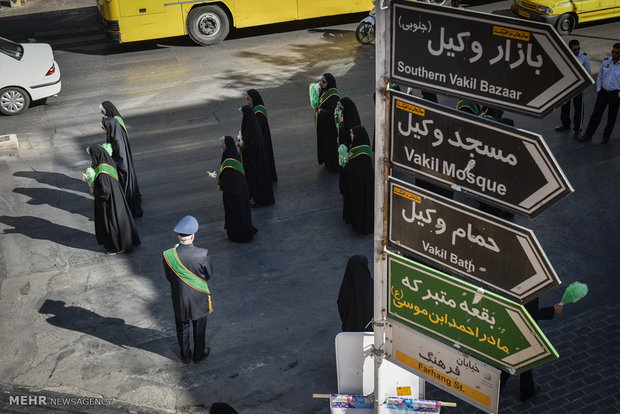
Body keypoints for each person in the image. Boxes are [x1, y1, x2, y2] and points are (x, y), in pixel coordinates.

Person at [163, 215, 213, 364]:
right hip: (198, 297)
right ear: (193, 236)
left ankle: (185, 355)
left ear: (178, 235)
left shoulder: (168, 255)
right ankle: (199, 354)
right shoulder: (202, 253)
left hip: (179, 297)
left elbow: (168, 277)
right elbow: (208, 274)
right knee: (199, 327)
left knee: (182, 327)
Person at [500, 298, 563, 401]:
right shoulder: (528, 291)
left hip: (508, 329)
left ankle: (498, 386)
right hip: (524, 333)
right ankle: (526, 392)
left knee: (509, 359)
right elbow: (530, 314)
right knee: (526, 362)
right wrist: (553, 310)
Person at [85, 144, 140, 255]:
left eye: (90, 155)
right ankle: (125, 242)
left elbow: (105, 191)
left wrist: (93, 191)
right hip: (117, 198)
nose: (89, 158)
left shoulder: (102, 173)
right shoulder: (108, 163)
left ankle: (116, 247)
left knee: (111, 223)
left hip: (109, 204)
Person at [217, 136, 257, 242]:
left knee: (235, 213)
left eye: (222, 147)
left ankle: (238, 234)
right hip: (241, 191)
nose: (221, 150)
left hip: (233, 195)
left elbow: (229, 179)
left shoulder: (229, 163)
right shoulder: (234, 157)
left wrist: (221, 185)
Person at [578, 43, 620, 144]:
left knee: (611, 117)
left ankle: (606, 136)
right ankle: (588, 134)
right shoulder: (606, 61)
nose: (613, 54)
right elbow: (600, 76)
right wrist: (599, 90)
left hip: (615, 95)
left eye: (616, 53)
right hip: (603, 93)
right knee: (596, 115)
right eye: (613, 52)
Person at [101, 116, 143, 217]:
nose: (103, 129)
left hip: (121, 171)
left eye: (104, 127)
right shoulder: (113, 135)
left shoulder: (117, 140)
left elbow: (120, 158)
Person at [239, 105, 275, 207]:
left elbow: (254, 145)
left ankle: (261, 199)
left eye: (242, 114)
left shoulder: (252, 128)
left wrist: (244, 144)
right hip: (254, 159)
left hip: (256, 160)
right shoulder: (251, 125)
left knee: (258, 179)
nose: (241, 116)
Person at [342, 126, 374, 235]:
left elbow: (353, 170)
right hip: (361, 184)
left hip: (359, 187)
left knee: (359, 207)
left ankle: (360, 226)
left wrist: (345, 165)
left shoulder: (362, 154)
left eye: (352, 134)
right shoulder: (363, 150)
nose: (351, 135)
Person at [556, 40, 591, 133]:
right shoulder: (564, 56)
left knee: (578, 108)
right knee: (564, 107)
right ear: (570, 49)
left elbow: (588, 72)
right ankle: (565, 124)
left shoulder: (584, 56)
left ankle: (577, 128)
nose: (577, 51)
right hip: (567, 87)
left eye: (578, 49)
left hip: (578, 87)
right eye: (575, 49)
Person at [246, 89, 277, 182]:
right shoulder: (257, 109)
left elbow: (257, 128)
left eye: (248, 100)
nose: (247, 102)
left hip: (262, 140)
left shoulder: (259, 112)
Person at [337, 255, 373, 332]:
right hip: (372, 331)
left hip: (351, 330)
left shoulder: (345, 289)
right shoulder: (373, 286)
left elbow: (341, 307)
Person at [336, 97, 362, 194]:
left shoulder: (353, 120)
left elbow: (348, 135)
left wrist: (342, 124)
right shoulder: (347, 116)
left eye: (341, 108)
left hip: (350, 151)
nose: (340, 110)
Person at [315, 73, 340, 170]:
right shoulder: (324, 91)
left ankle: (332, 163)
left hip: (330, 125)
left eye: (324, 82)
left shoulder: (334, 95)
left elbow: (334, 111)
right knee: (324, 142)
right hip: (323, 123)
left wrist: (324, 112)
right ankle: (326, 161)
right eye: (321, 81)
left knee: (330, 144)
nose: (322, 83)